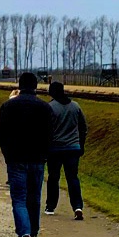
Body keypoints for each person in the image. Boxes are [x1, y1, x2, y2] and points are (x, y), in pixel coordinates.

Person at [0, 71, 54, 237]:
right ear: (36, 86)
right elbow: (50, 135)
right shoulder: (45, 108)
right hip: (37, 158)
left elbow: (3, 134)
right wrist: (45, 154)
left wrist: (7, 155)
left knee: (19, 198)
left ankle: (24, 233)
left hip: (16, 158)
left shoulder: (8, 106)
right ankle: (34, 232)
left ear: (19, 86)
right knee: (34, 197)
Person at [44, 81, 88, 220]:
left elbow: (46, 130)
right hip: (73, 148)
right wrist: (81, 145)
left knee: (53, 177)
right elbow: (83, 128)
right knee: (72, 178)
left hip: (55, 149)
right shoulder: (75, 106)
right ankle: (77, 206)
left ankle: (50, 206)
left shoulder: (50, 107)